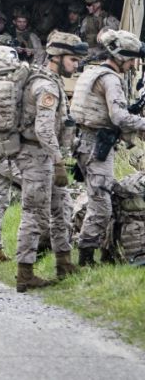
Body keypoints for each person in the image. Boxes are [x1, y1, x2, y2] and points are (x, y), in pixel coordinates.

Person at [13, 31, 84, 291]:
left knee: (61, 208)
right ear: (57, 57)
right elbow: (44, 129)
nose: (76, 65)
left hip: (45, 156)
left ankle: (64, 263)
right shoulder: (46, 86)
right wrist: (57, 162)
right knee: (35, 214)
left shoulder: (48, 80)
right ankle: (25, 273)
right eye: (73, 60)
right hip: (36, 157)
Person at [71, 30, 145, 266]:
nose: (134, 64)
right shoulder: (111, 79)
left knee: (103, 199)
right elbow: (119, 118)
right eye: (132, 58)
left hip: (85, 143)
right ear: (121, 56)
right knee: (102, 206)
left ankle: (103, 250)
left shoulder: (93, 73)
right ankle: (85, 257)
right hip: (96, 147)